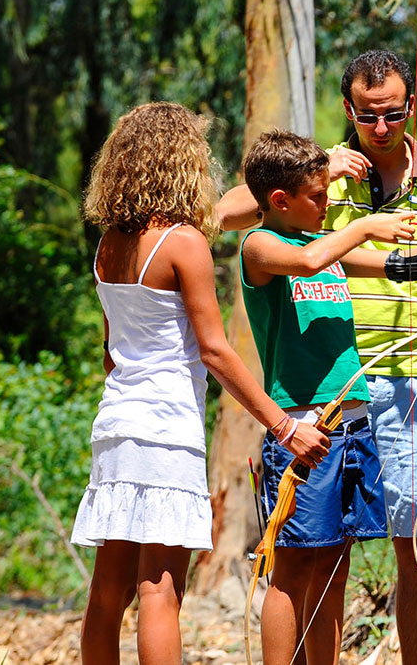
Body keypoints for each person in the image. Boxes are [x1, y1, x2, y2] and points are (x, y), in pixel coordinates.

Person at [217, 50, 417, 665]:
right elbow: (228, 216)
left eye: (393, 114)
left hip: (413, 374)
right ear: (349, 112)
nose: (382, 128)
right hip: (331, 390)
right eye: (368, 117)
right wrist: (328, 171)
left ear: (411, 105)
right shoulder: (318, 182)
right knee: (312, 553)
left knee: (414, 543)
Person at [72, 103, 328, 665]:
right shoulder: (183, 243)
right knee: (161, 590)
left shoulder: (109, 244)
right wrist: (284, 426)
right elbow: (214, 349)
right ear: (182, 161)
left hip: (116, 426)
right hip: (165, 431)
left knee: (107, 589)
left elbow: (113, 354)